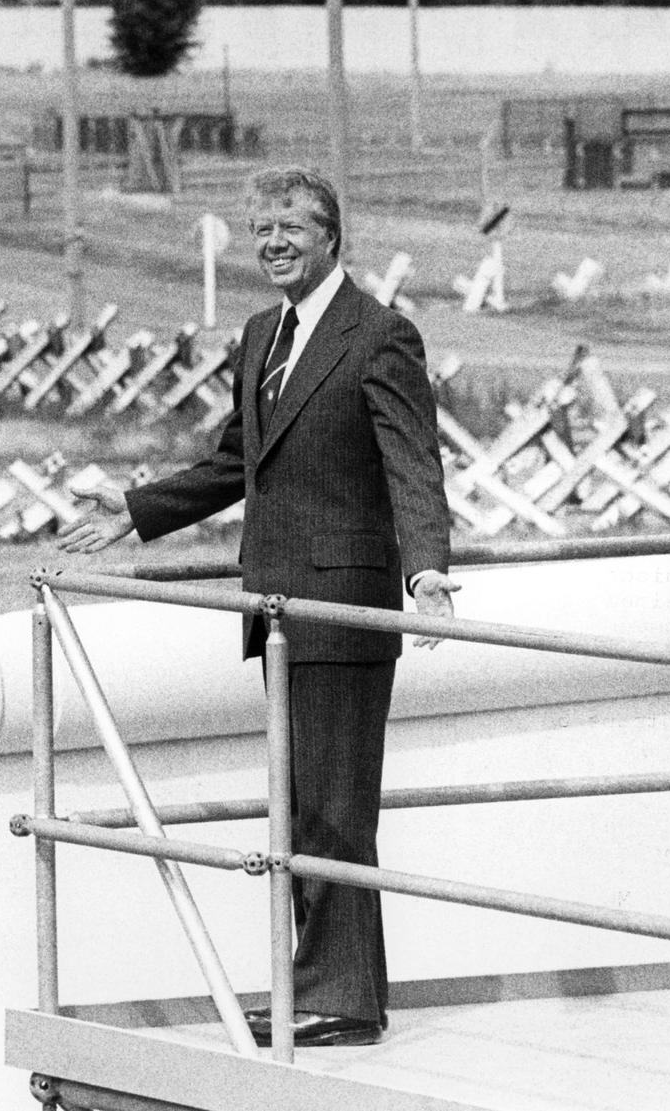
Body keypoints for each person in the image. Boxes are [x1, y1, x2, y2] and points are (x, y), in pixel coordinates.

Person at [57, 165, 456, 1047]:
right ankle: (336, 987)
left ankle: (339, 997)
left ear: (331, 238)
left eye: (290, 230)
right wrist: (135, 511)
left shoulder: (380, 335)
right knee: (305, 806)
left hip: (345, 610)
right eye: (260, 230)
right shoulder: (261, 334)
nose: (272, 244)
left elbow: (412, 464)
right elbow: (238, 459)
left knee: (334, 811)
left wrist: (425, 571)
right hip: (276, 610)